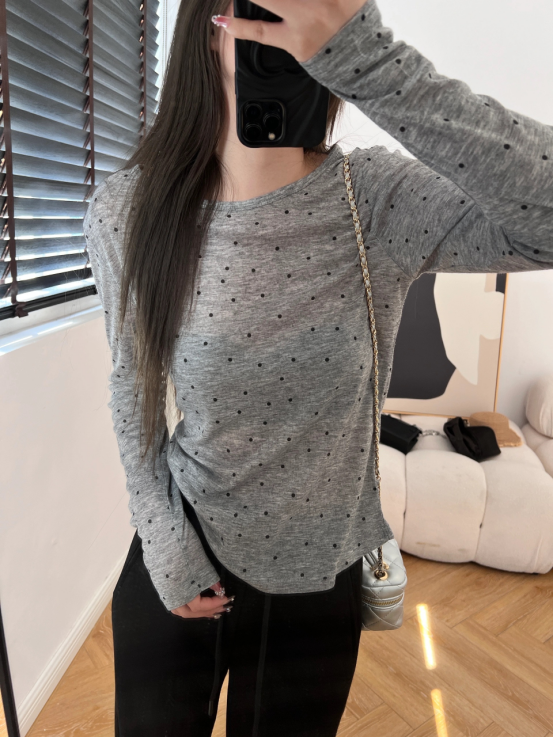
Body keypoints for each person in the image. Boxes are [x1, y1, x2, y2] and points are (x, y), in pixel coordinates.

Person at [83, 1, 553, 735]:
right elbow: (129, 385)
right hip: (181, 545)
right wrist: (164, 542)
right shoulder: (130, 209)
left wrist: (375, 66)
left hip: (321, 573)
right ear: (208, 26)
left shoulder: (377, 201)